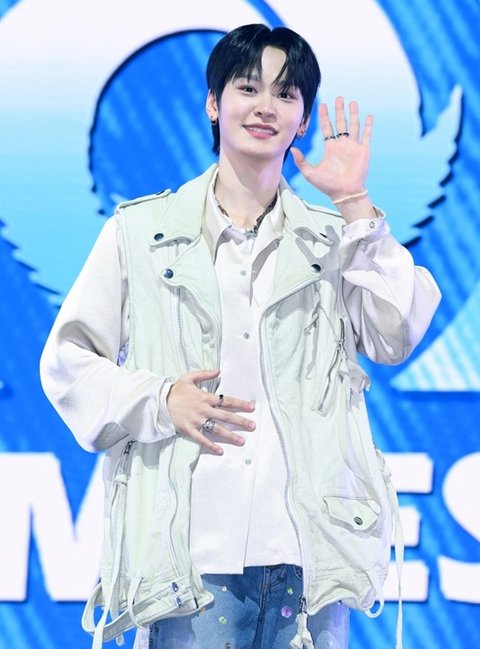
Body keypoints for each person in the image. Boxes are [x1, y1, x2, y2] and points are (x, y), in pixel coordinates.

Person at [40, 23, 441, 649]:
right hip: (191, 555)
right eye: (248, 87)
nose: (265, 106)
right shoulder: (141, 233)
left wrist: (356, 203)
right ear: (213, 102)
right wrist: (159, 398)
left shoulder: (334, 240)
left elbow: (396, 334)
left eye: (285, 94)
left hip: (309, 560)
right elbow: (67, 362)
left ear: (302, 120)